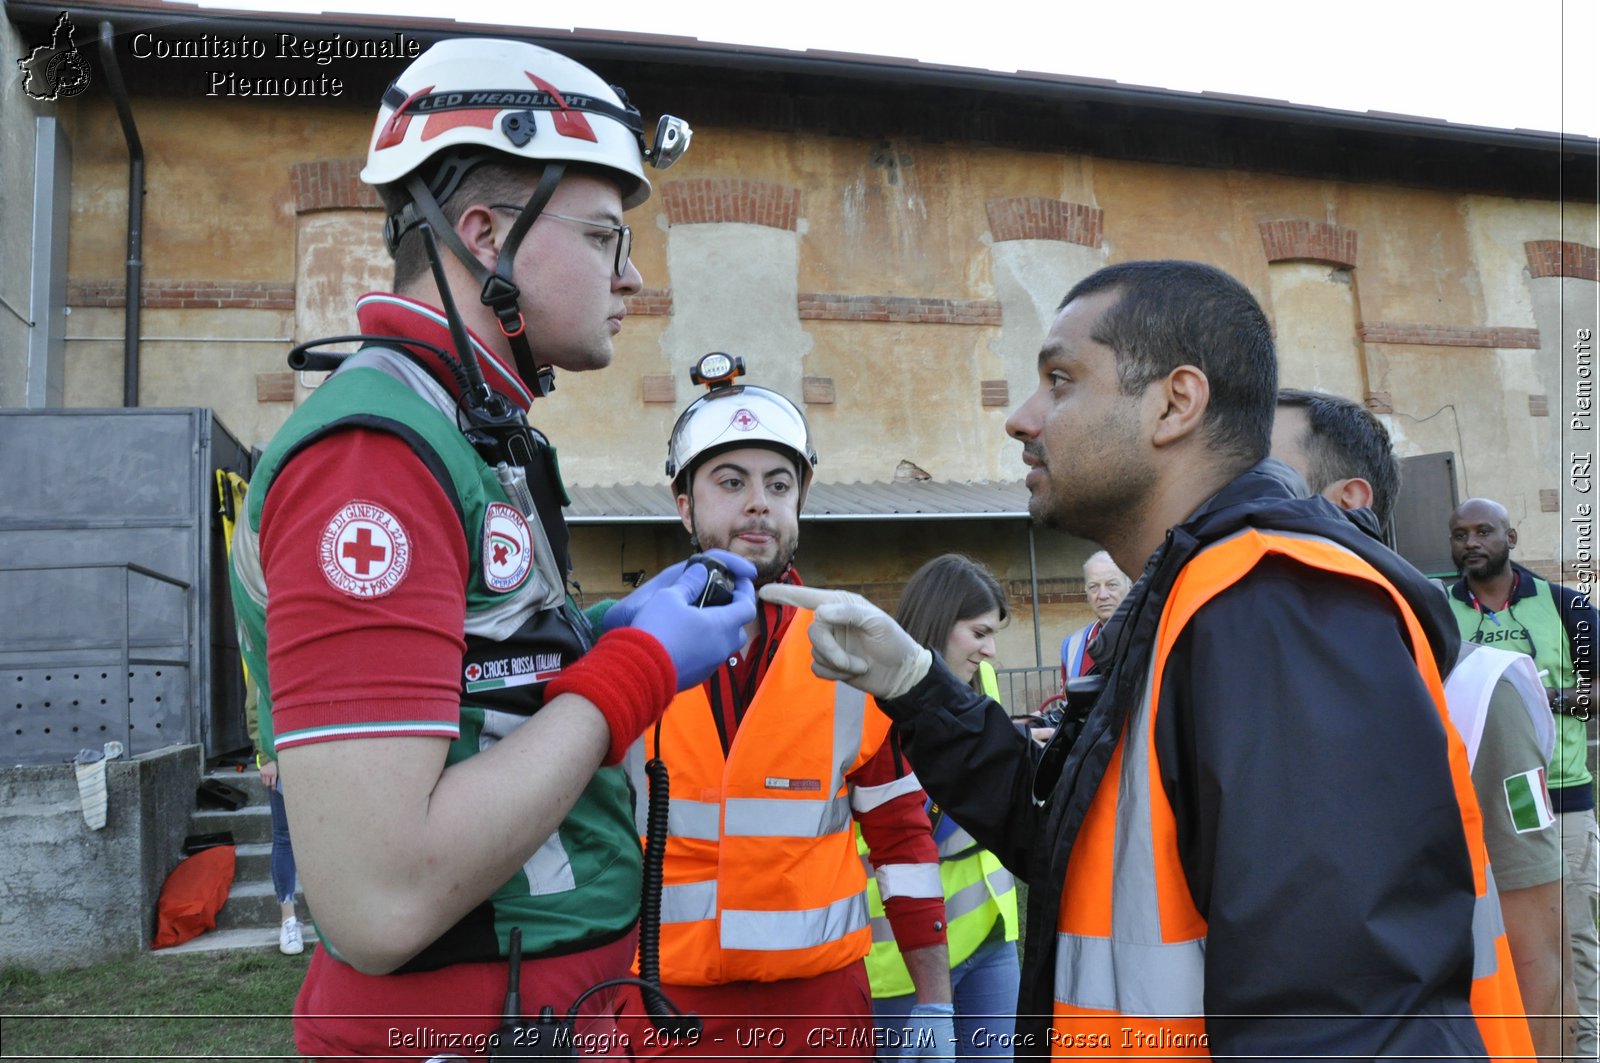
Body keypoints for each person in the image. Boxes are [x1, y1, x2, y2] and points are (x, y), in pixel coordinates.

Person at [765, 259, 1534, 1058]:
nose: (1021, 418)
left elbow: (1345, 1021)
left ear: (1175, 404)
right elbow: (1069, 838)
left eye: (1060, 380)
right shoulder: (1190, 602)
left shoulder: (1276, 607)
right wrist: (914, 684)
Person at [227, 39, 757, 1059]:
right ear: (484, 233)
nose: (633, 276)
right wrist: (638, 668)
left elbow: (471, 682)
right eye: (606, 236)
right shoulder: (373, 456)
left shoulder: (474, 426)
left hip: (537, 1009)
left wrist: (601, 633)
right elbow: (382, 896)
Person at [616, 356, 954, 1060]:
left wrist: (934, 998)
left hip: (820, 1010)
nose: (758, 504)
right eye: (730, 482)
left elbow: (902, 839)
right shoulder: (624, 643)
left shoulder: (854, 648)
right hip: (662, 1008)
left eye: (778, 484)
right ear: (684, 504)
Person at [1274, 388, 1570, 1059]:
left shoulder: (1478, 684)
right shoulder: (1233, 675)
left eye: (1263, 472)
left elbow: (1536, 948)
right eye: (1459, 533)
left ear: (1349, 498)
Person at [1448, 495, 1599, 1059]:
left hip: (1559, 799)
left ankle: (1583, 1051)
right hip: (1475, 803)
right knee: (1499, 942)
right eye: (1459, 534)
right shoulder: (1436, 610)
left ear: (1511, 539)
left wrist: (1548, 696)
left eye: (1483, 531)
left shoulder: (1564, 606)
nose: (1470, 543)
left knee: (1574, 940)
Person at [866, 554, 1021, 1060]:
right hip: (904, 955)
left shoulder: (983, 685)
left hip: (990, 936)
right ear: (939, 622)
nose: (991, 650)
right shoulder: (872, 696)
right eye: (979, 633)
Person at [245, 673, 305, 956]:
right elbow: (255, 706)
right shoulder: (266, 644)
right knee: (284, 837)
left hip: (318, 752)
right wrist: (266, 757)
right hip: (280, 755)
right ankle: (289, 920)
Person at [1059, 551, 1129, 684]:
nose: (1102, 595)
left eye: (1112, 585)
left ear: (1129, 586)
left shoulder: (1150, 636)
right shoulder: (1072, 645)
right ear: (1086, 593)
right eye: (1094, 587)